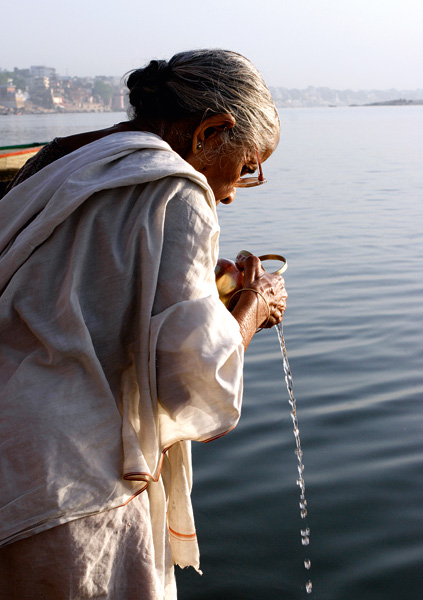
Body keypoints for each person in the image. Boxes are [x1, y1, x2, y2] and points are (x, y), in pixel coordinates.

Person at [0, 49, 287, 599]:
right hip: (72, 481)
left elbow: (76, 295)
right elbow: (191, 381)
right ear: (211, 130)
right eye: (247, 167)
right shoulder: (176, 188)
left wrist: (205, 289)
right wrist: (253, 304)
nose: (231, 191)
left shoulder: (58, 159)